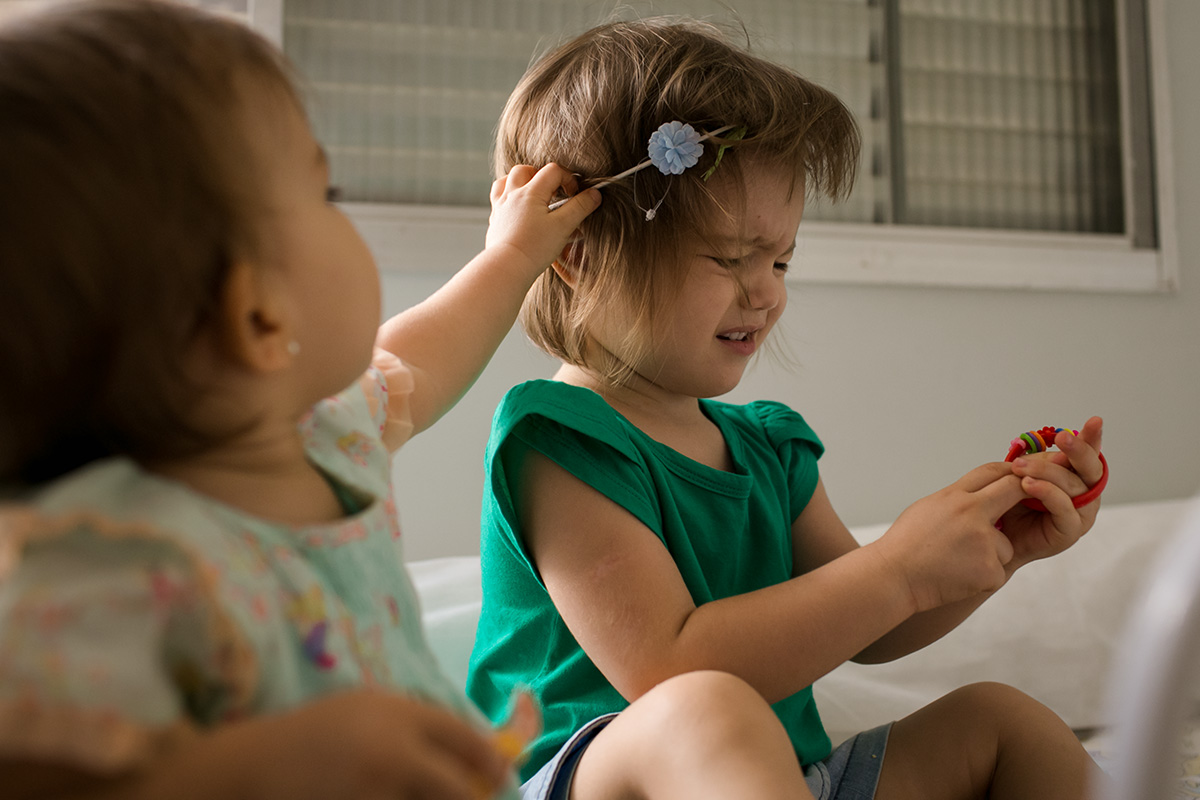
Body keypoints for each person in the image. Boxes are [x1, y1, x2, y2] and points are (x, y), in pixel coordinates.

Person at [466, 17, 1110, 800]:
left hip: (782, 780)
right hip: (603, 776)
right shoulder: (558, 438)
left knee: (1005, 724)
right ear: (577, 253)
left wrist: (994, 546)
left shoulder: (769, 448)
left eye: (781, 261)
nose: (767, 293)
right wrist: (898, 568)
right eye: (730, 257)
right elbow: (669, 667)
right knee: (703, 709)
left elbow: (868, 622)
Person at [0, 2, 601, 798]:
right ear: (260, 317)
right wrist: (248, 768)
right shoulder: (106, 560)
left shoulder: (326, 435)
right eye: (328, 193)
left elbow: (422, 352)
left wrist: (514, 255)